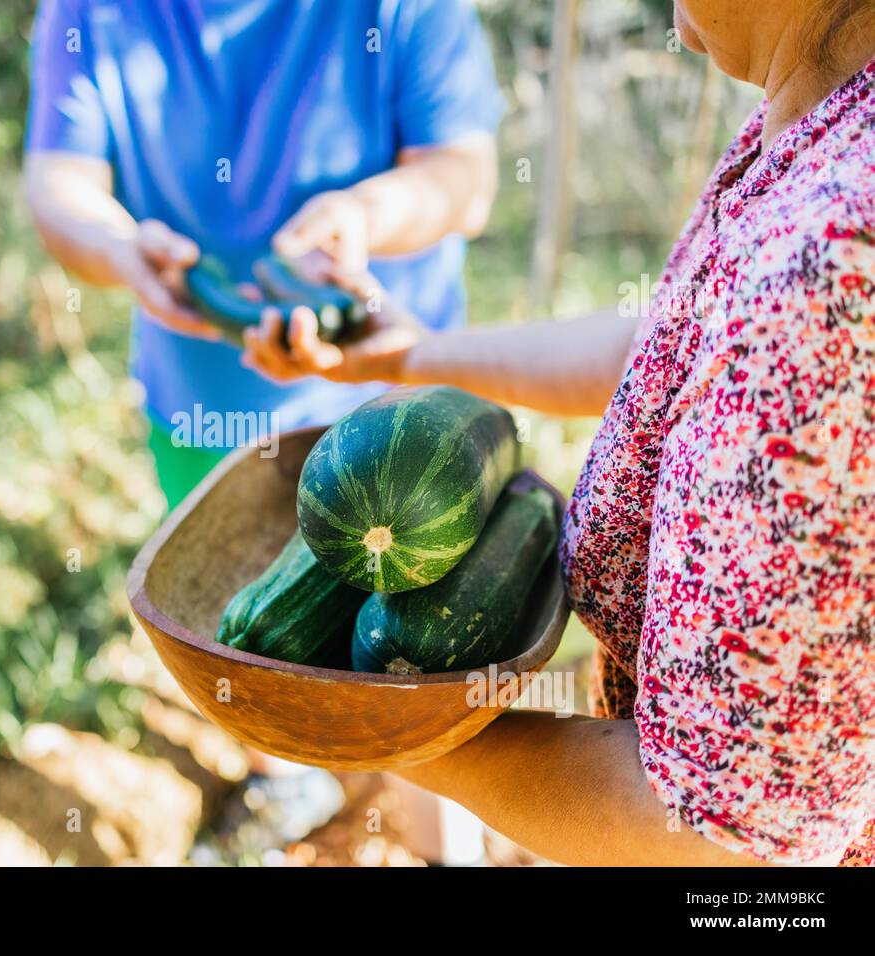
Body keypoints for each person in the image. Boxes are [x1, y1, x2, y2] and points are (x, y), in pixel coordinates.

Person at [244, 0, 875, 865]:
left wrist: (369, 720)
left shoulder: (837, 253)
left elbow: (717, 847)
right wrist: (414, 354)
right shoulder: (822, 109)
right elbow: (667, 346)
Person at [24, 0, 503, 509]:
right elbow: (59, 181)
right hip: (203, 415)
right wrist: (117, 249)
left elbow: (464, 176)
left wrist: (364, 216)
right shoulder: (87, 10)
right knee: (215, 584)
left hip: (398, 413)